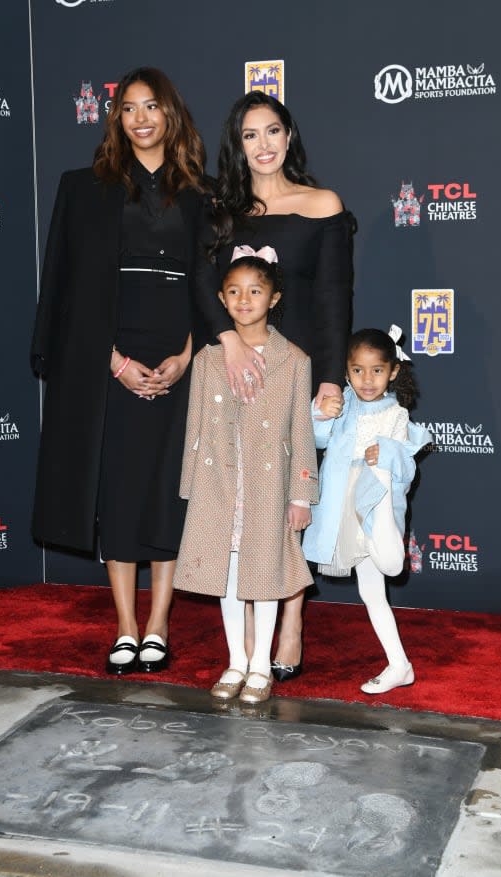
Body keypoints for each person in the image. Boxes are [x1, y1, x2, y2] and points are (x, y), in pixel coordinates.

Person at [31, 67, 211, 675]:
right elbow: (66, 287)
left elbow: (210, 289)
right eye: (129, 108)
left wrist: (188, 355)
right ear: (116, 119)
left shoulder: (201, 194)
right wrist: (111, 361)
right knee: (118, 490)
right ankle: (126, 628)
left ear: (171, 115)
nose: (140, 118)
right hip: (108, 357)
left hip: (178, 355)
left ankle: (159, 623)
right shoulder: (83, 188)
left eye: (152, 106)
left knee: (166, 490)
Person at [196, 91, 354, 681]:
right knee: (244, 503)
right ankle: (247, 634)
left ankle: (291, 620)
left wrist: (331, 379)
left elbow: (336, 299)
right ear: (237, 146)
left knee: (292, 500)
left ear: (289, 136)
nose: (262, 146)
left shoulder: (323, 204)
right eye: (249, 136)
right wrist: (230, 345)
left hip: (300, 374)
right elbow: (204, 291)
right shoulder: (221, 212)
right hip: (236, 377)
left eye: (271, 132)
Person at [174, 248, 318, 704]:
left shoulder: (294, 360)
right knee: (229, 577)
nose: (244, 300)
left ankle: (261, 667)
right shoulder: (207, 359)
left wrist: (301, 495)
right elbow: (194, 428)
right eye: (233, 292)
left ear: (273, 298)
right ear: (220, 298)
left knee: (265, 575)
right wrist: (190, 487)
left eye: (255, 291)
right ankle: (236, 660)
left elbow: (302, 430)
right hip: (219, 489)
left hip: (268, 489)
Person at [302, 326, 431, 694]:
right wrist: (320, 414)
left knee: (383, 572)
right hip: (343, 506)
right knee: (371, 591)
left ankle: (399, 664)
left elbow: (406, 471)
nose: (367, 379)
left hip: (375, 508)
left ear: (392, 371)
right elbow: (318, 441)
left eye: (376, 370)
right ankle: (399, 665)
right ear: (346, 371)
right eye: (358, 370)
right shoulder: (343, 401)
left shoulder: (397, 415)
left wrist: (388, 454)